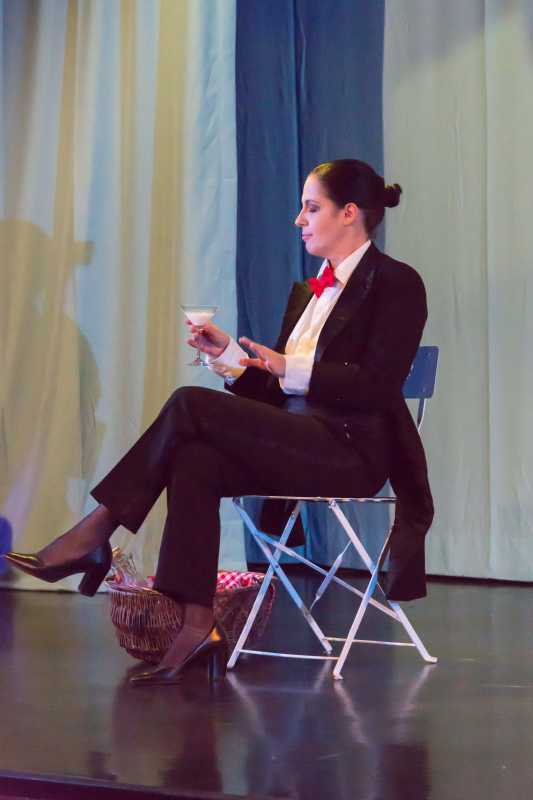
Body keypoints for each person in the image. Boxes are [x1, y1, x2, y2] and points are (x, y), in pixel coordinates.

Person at [4, 159, 433, 686]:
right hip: (297, 440)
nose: (299, 220)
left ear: (349, 213)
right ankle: (196, 623)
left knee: (189, 403)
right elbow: (275, 391)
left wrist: (287, 366)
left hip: (351, 451)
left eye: (311, 208)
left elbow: (376, 386)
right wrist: (229, 356)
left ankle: (94, 531)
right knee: (194, 458)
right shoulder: (309, 292)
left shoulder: (397, 283)